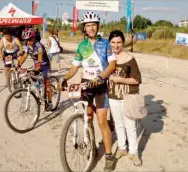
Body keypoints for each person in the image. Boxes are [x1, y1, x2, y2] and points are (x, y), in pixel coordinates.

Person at [61, 11, 117, 172]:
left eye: (94, 25)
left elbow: (112, 66)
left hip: (100, 84)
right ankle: (91, 145)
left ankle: (108, 156)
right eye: (88, 26)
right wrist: (65, 78)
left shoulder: (105, 43)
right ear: (84, 28)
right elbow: (74, 67)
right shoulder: (82, 46)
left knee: (101, 121)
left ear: (97, 27)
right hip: (86, 84)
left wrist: (100, 77)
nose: (91, 28)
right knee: (88, 118)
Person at [108, 30, 142, 166]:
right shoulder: (108, 58)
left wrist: (119, 80)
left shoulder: (129, 59)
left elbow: (137, 80)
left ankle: (133, 153)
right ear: (109, 43)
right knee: (119, 124)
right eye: (113, 42)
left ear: (123, 43)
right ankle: (122, 148)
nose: (116, 46)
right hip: (113, 96)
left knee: (130, 126)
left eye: (119, 42)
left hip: (128, 97)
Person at [18, 28, 53, 111]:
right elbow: (25, 56)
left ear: (34, 37)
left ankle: (50, 102)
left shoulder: (39, 45)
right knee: (33, 79)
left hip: (45, 66)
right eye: (26, 40)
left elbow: (40, 54)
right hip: (37, 66)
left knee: (47, 85)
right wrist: (18, 65)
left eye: (30, 39)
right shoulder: (27, 46)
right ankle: (39, 93)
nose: (28, 41)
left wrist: (38, 65)